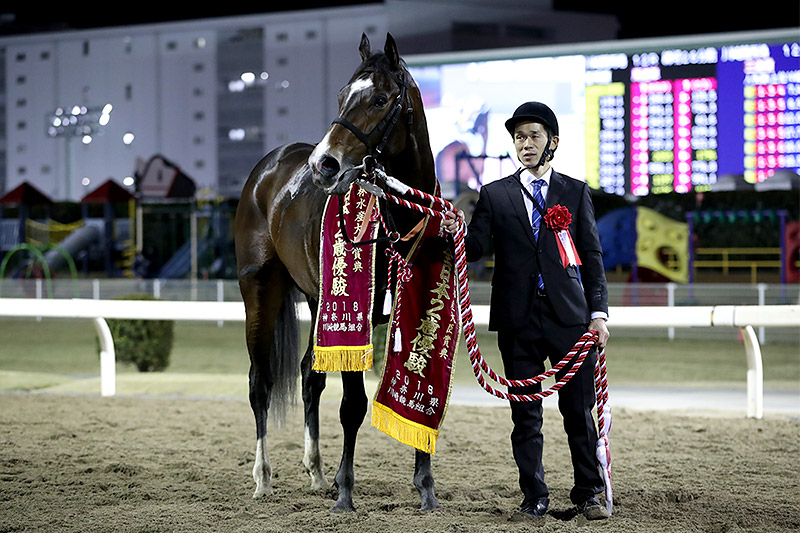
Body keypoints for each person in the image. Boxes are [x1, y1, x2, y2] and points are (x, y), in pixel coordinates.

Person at [442, 101, 611, 521]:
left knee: (578, 410)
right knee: (526, 416)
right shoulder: (495, 195)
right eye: (519, 137)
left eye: (534, 135)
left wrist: (599, 314)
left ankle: (589, 493)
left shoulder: (574, 191)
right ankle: (534, 497)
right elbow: (476, 248)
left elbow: (591, 256)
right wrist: (455, 231)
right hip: (517, 320)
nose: (526, 143)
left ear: (552, 141)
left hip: (570, 318)